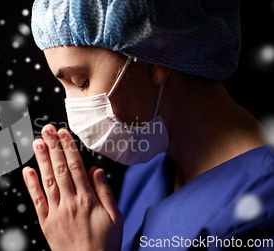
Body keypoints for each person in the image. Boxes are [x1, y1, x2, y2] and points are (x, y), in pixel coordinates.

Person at [22, 0, 274, 250]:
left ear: (157, 56)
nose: (73, 112)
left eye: (81, 82)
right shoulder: (150, 170)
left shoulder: (261, 204)